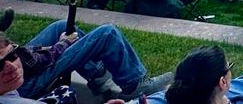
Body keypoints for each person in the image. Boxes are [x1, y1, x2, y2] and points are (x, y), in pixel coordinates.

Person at [1, 21, 171, 101]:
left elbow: (26, 55)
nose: (9, 66)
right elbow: (34, 60)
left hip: (26, 69)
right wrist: (62, 44)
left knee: (61, 26)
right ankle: (134, 84)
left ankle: (101, 82)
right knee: (107, 33)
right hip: (24, 86)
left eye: (11, 55)